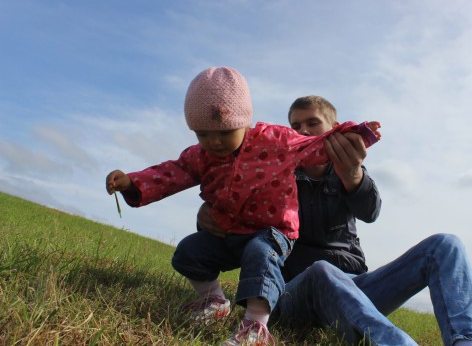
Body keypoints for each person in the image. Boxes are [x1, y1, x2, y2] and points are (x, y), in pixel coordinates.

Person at [105, 68, 381, 346]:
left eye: (225, 132)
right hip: (232, 234)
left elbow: (319, 149)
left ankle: (255, 327)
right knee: (188, 253)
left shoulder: (277, 142)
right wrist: (132, 183)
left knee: (261, 253)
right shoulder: (202, 156)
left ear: (244, 122)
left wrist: (354, 135)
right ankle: (213, 300)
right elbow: (171, 172)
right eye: (203, 134)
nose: (214, 142)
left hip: (275, 235)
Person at [199, 95, 472, 346]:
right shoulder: (274, 176)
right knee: (321, 270)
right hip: (293, 293)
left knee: (445, 245)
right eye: (295, 126)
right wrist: (207, 215)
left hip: (355, 287)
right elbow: (237, 218)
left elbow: (370, 212)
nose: (303, 130)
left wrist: (352, 175)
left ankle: (469, 340)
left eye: (312, 123)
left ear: (334, 130)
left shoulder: (348, 170)